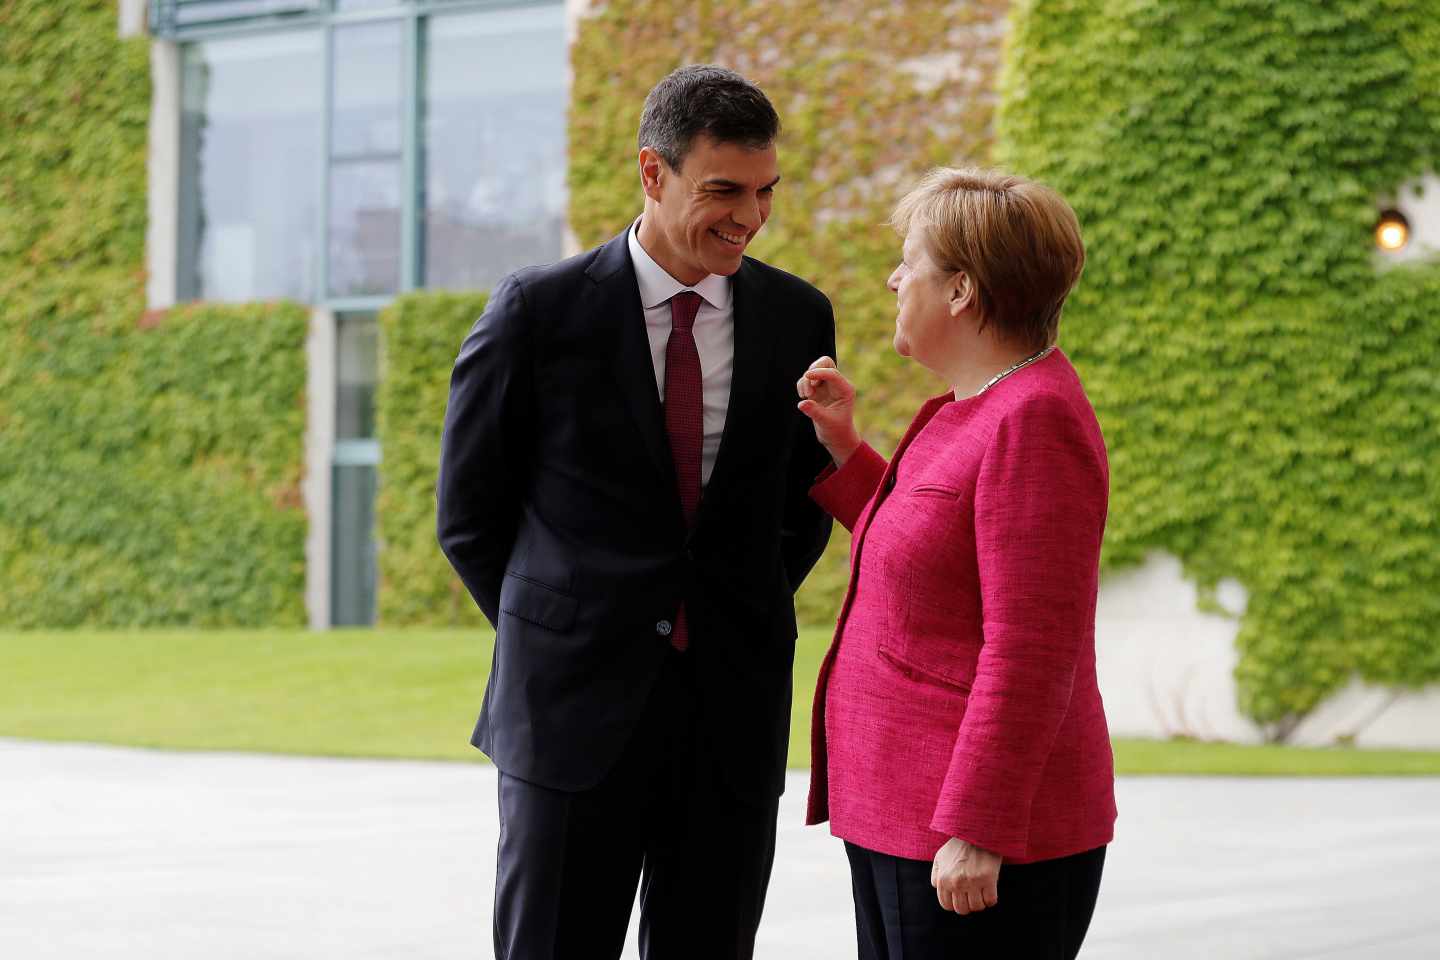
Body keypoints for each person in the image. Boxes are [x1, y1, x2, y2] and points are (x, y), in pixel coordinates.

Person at [436, 65, 835, 960]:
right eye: (723, 191)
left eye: (766, 191)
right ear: (652, 173)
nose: (750, 217)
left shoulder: (797, 315)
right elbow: (469, 512)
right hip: (569, 716)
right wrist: (569, 624)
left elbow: (800, 503)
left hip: (731, 716)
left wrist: (737, 603)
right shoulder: (536, 312)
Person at [795, 167, 1115, 960]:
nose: (895, 278)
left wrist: (978, 824)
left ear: (963, 290)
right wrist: (845, 447)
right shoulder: (974, 405)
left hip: (965, 836)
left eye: (912, 262)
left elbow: (1034, 649)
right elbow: (925, 547)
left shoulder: (1034, 420)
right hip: (902, 808)